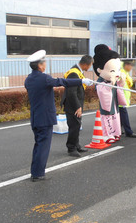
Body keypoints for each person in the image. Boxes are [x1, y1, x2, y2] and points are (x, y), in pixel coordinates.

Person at [24, 50, 93, 182]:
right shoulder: (44, 78)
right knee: (43, 146)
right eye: (44, 62)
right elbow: (62, 82)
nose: (45, 64)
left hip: (35, 117)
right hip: (45, 118)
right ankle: (38, 174)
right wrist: (81, 81)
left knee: (38, 145)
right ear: (39, 65)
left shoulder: (29, 79)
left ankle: (35, 172)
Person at [62, 55, 94, 157]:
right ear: (85, 64)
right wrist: (78, 106)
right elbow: (71, 93)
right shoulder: (74, 74)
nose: (90, 68)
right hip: (72, 105)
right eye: (90, 65)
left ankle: (76, 145)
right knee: (74, 126)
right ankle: (71, 148)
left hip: (76, 103)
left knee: (77, 125)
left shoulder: (78, 72)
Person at [119, 59, 136, 138]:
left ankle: (119, 130)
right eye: (130, 66)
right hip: (121, 98)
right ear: (126, 65)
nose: (131, 68)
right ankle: (128, 132)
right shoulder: (121, 73)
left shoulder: (125, 72)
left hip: (123, 97)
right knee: (124, 115)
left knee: (120, 115)